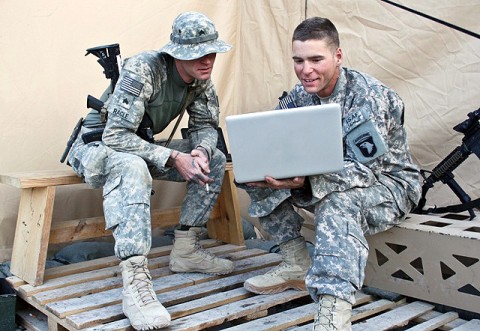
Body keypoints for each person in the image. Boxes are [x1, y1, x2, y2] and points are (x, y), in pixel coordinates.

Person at [238, 17, 421, 330]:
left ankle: (333, 313)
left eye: (315, 59)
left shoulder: (368, 98)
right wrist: (272, 170)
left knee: (336, 202)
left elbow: (367, 171)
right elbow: (276, 146)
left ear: (337, 56)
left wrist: (307, 181)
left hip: (389, 186)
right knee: (258, 176)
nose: (306, 70)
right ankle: (296, 261)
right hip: (323, 178)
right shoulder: (298, 97)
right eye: (298, 60)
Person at [67, 12, 233, 330]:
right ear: (177, 53)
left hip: (138, 144)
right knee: (131, 167)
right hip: (96, 146)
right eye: (198, 52)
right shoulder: (143, 68)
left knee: (214, 157)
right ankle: (135, 284)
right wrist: (172, 157)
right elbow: (114, 135)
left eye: (211, 51)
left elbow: (206, 126)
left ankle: (186, 249)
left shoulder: (200, 79)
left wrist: (200, 149)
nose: (207, 60)